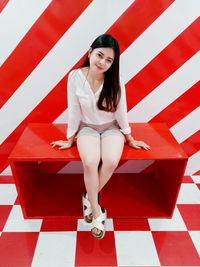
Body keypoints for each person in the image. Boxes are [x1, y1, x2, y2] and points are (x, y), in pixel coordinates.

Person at [51, 34, 150, 240]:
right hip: (87, 128)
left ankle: (88, 196)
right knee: (90, 162)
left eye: (109, 60)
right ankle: (97, 211)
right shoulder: (75, 77)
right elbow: (73, 111)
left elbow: (121, 112)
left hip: (111, 128)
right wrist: (70, 137)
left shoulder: (115, 81)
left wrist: (129, 137)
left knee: (111, 161)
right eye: (100, 55)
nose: (102, 62)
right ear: (89, 53)